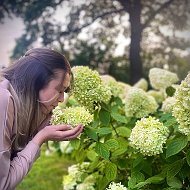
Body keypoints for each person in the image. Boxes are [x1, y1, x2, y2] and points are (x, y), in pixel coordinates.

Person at [0, 48, 83, 190]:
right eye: (60, 90)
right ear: (35, 82)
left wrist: (42, 127)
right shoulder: (3, 100)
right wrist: (40, 138)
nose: (62, 99)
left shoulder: (20, 103)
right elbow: (3, 184)